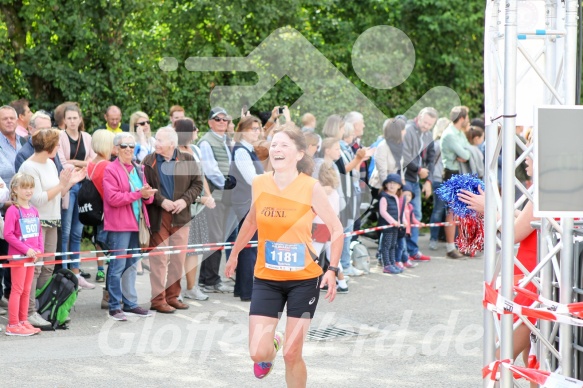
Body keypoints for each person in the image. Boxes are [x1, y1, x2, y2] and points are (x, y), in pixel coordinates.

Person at [225, 127, 343, 385]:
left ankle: (284, 348)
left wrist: (332, 269)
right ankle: (274, 342)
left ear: (300, 153)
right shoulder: (260, 183)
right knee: (257, 353)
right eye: (274, 145)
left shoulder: (310, 187)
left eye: (284, 145)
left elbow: (336, 229)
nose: (277, 149)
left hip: (304, 279)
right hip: (267, 277)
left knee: (292, 354)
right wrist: (234, 253)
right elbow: (251, 221)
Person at [458, 145, 537, 386]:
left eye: (531, 153)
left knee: (501, 359)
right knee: (533, 360)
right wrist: (496, 203)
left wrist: (489, 208)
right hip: (528, 278)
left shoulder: (547, 189)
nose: (525, 160)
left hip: (534, 283)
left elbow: (515, 232)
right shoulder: (543, 189)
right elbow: (522, 220)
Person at [19, 128, 85, 328]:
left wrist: (70, 182)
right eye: (57, 144)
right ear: (48, 146)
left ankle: (43, 306)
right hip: (36, 222)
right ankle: (29, 311)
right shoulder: (28, 167)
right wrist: (62, 184)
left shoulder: (50, 163)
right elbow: (37, 199)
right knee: (35, 269)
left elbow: (57, 192)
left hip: (53, 219)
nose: (59, 147)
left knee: (47, 267)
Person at [143, 127, 203, 313]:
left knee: (178, 258)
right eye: (156, 140)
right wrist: (162, 202)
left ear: (172, 144)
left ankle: (173, 297)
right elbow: (145, 186)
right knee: (159, 259)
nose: (156, 143)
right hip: (159, 216)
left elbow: (198, 184)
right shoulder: (149, 161)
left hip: (181, 216)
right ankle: (158, 300)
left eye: (160, 140)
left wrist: (184, 201)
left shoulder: (187, 159)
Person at [103, 133, 156, 321]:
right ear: (116, 149)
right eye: (124, 146)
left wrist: (148, 194)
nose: (128, 150)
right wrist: (137, 194)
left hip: (137, 222)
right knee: (117, 266)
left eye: (131, 147)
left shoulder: (139, 169)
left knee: (132, 265)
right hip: (119, 224)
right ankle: (114, 306)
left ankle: (131, 303)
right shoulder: (111, 169)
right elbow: (113, 198)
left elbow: (147, 199)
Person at [57, 104, 96, 286]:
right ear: (64, 120)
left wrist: (77, 163)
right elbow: (63, 163)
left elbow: (93, 161)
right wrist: (82, 164)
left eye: (75, 118)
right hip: (69, 187)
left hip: (83, 187)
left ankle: (76, 271)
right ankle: (64, 271)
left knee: (77, 232)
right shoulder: (60, 137)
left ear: (80, 119)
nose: (72, 121)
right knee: (65, 232)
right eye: (69, 118)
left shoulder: (87, 137)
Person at [197, 107, 235, 294]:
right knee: (214, 238)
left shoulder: (225, 140)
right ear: (210, 122)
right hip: (214, 196)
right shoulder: (206, 142)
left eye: (224, 120)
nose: (221, 122)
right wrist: (227, 185)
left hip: (222, 197)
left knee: (216, 237)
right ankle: (210, 280)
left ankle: (207, 279)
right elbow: (210, 170)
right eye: (217, 119)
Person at [175, 118, 213, 301]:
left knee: (195, 249)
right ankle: (175, 290)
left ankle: (192, 287)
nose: (197, 130)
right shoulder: (175, 153)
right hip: (184, 206)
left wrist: (209, 195)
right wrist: (200, 197)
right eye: (194, 128)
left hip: (199, 207)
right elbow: (180, 186)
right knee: (179, 250)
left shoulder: (195, 149)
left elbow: (202, 176)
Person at [228, 115, 264, 301]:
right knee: (249, 247)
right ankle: (247, 291)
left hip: (249, 202)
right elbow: (252, 179)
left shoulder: (249, 149)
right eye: (253, 129)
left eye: (258, 128)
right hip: (245, 202)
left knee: (247, 247)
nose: (257, 132)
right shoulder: (242, 150)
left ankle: (242, 289)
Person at [3, 173, 42, 336]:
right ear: (15, 189)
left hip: (31, 257)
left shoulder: (34, 210)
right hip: (19, 257)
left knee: (27, 290)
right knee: (17, 289)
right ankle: (13, 324)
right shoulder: (13, 210)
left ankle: (23, 320)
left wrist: (39, 249)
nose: (28, 191)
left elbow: (39, 232)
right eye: (24, 187)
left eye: (31, 187)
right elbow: (8, 234)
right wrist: (26, 249)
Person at [440, 106, 471, 259]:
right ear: (462, 118)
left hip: (459, 172)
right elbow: (465, 153)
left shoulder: (458, 133)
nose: (468, 120)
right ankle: (450, 247)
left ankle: (460, 244)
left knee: (461, 210)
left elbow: (467, 151)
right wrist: (465, 154)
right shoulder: (450, 135)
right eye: (467, 117)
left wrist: (466, 154)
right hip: (452, 174)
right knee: (452, 211)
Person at [87, 130, 116, 284]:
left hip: (97, 211)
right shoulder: (107, 165)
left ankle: (99, 271)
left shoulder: (91, 163)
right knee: (111, 245)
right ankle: (110, 286)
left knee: (99, 241)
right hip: (109, 211)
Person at [428, 117, 450, 251]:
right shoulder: (438, 144)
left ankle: (436, 238)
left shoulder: (436, 143)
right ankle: (434, 239)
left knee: (441, 210)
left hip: (440, 179)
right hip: (440, 179)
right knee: (439, 210)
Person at [378, 174, 403, 275]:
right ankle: (387, 265)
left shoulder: (396, 197)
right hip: (388, 226)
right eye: (390, 183)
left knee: (393, 245)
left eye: (395, 183)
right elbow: (383, 212)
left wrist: (400, 222)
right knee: (386, 245)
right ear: (386, 185)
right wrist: (392, 221)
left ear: (399, 186)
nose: (392, 185)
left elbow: (398, 211)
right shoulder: (384, 197)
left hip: (395, 227)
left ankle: (392, 263)